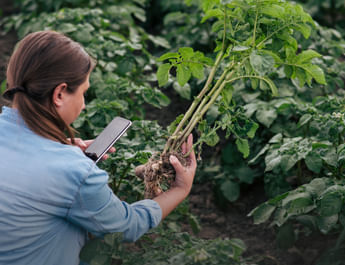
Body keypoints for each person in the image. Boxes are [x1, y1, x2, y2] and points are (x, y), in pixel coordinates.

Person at [0, 30, 197, 265]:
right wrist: (180, 189)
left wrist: (58, 147)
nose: (83, 105)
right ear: (60, 94)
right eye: (84, 92)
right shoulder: (73, 171)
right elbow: (127, 226)